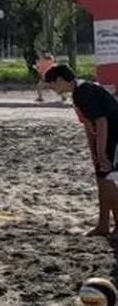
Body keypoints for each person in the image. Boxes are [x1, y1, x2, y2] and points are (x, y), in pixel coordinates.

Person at [45, 64, 118, 236]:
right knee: (103, 181)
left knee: (107, 181)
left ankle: (106, 224)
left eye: (52, 85)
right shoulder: (78, 92)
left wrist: (101, 153)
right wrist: (93, 151)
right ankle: (104, 224)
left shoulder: (83, 92)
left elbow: (101, 122)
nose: (51, 89)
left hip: (114, 135)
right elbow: (88, 124)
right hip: (106, 136)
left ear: (60, 80)